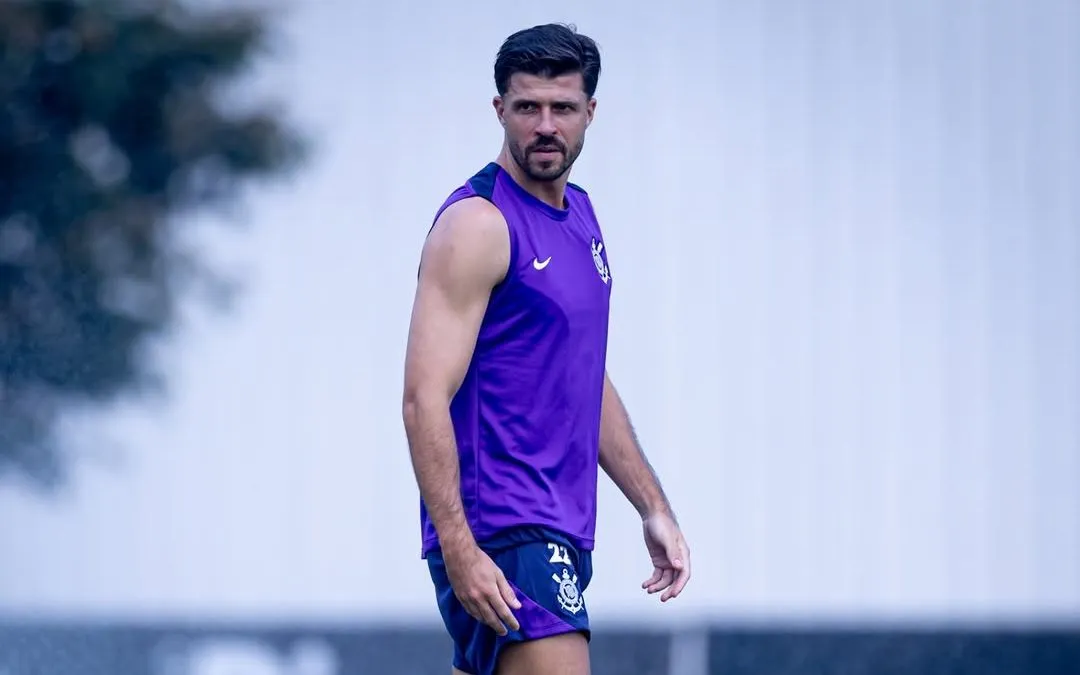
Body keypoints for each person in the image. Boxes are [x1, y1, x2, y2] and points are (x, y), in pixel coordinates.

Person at [401, 23, 691, 675]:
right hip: (503, 527)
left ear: (590, 113)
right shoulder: (477, 225)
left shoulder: (582, 215)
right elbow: (424, 397)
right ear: (499, 109)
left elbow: (582, 377)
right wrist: (458, 545)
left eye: (562, 108)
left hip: (559, 524)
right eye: (527, 107)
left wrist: (652, 505)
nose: (544, 125)